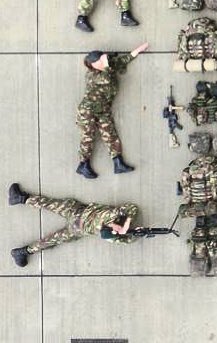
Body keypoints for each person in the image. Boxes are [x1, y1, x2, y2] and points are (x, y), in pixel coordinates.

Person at [8, 183, 140, 267]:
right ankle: (21, 199)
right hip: (76, 215)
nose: (117, 228)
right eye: (116, 228)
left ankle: (23, 251)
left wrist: (132, 232)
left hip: (76, 224)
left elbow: (124, 238)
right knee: (50, 208)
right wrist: (127, 226)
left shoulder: (110, 228)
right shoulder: (111, 216)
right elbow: (131, 208)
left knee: (50, 238)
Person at [75, 42, 148, 178]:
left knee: (110, 134)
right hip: (88, 111)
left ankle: (118, 163)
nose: (105, 60)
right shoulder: (92, 75)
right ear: (95, 64)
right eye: (101, 60)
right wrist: (106, 64)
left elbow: (124, 60)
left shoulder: (109, 66)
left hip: (103, 109)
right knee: (88, 137)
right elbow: (107, 79)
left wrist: (139, 50)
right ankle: (83, 165)